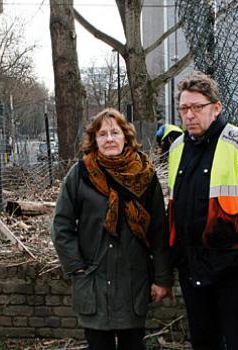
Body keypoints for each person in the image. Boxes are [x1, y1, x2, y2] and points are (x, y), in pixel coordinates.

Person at [167, 71, 238, 350]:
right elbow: (175, 206)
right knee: (204, 342)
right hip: (193, 267)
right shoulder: (177, 147)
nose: (189, 115)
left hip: (233, 270)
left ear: (216, 108)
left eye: (197, 107)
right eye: (183, 108)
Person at [50, 108, 173, 350]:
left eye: (115, 132)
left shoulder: (145, 175)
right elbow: (62, 225)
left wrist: (162, 278)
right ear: (94, 139)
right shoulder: (80, 174)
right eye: (102, 133)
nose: (109, 139)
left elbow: (159, 230)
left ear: (126, 137)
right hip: (93, 280)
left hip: (133, 281)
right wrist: (76, 268)